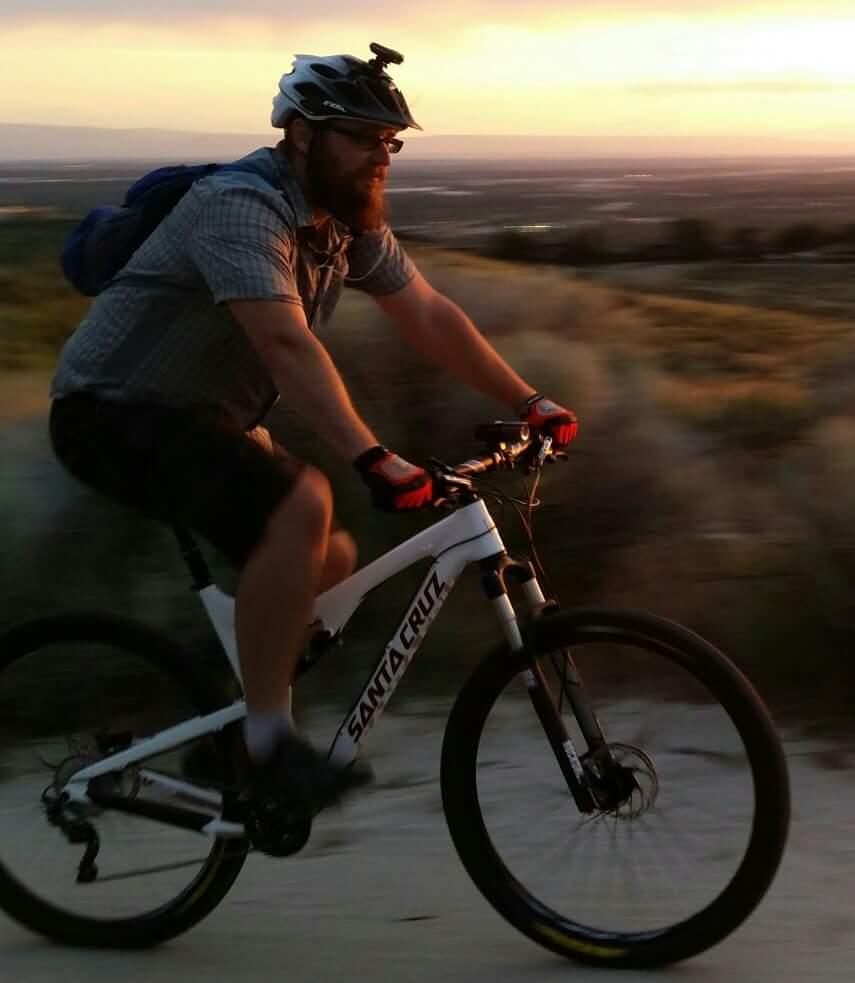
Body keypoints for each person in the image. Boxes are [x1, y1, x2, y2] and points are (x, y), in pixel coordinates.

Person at [48, 43, 578, 817]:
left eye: (389, 141)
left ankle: (223, 714)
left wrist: (530, 399)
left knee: (326, 558)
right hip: (110, 412)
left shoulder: (341, 219)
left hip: (202, 417)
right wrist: (373, 457)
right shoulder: (240, 206)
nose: (381, 156)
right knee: (305, 504)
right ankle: (269, 750)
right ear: (301, 134)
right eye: (363, 136)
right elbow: (285, 342)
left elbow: (425, 312)